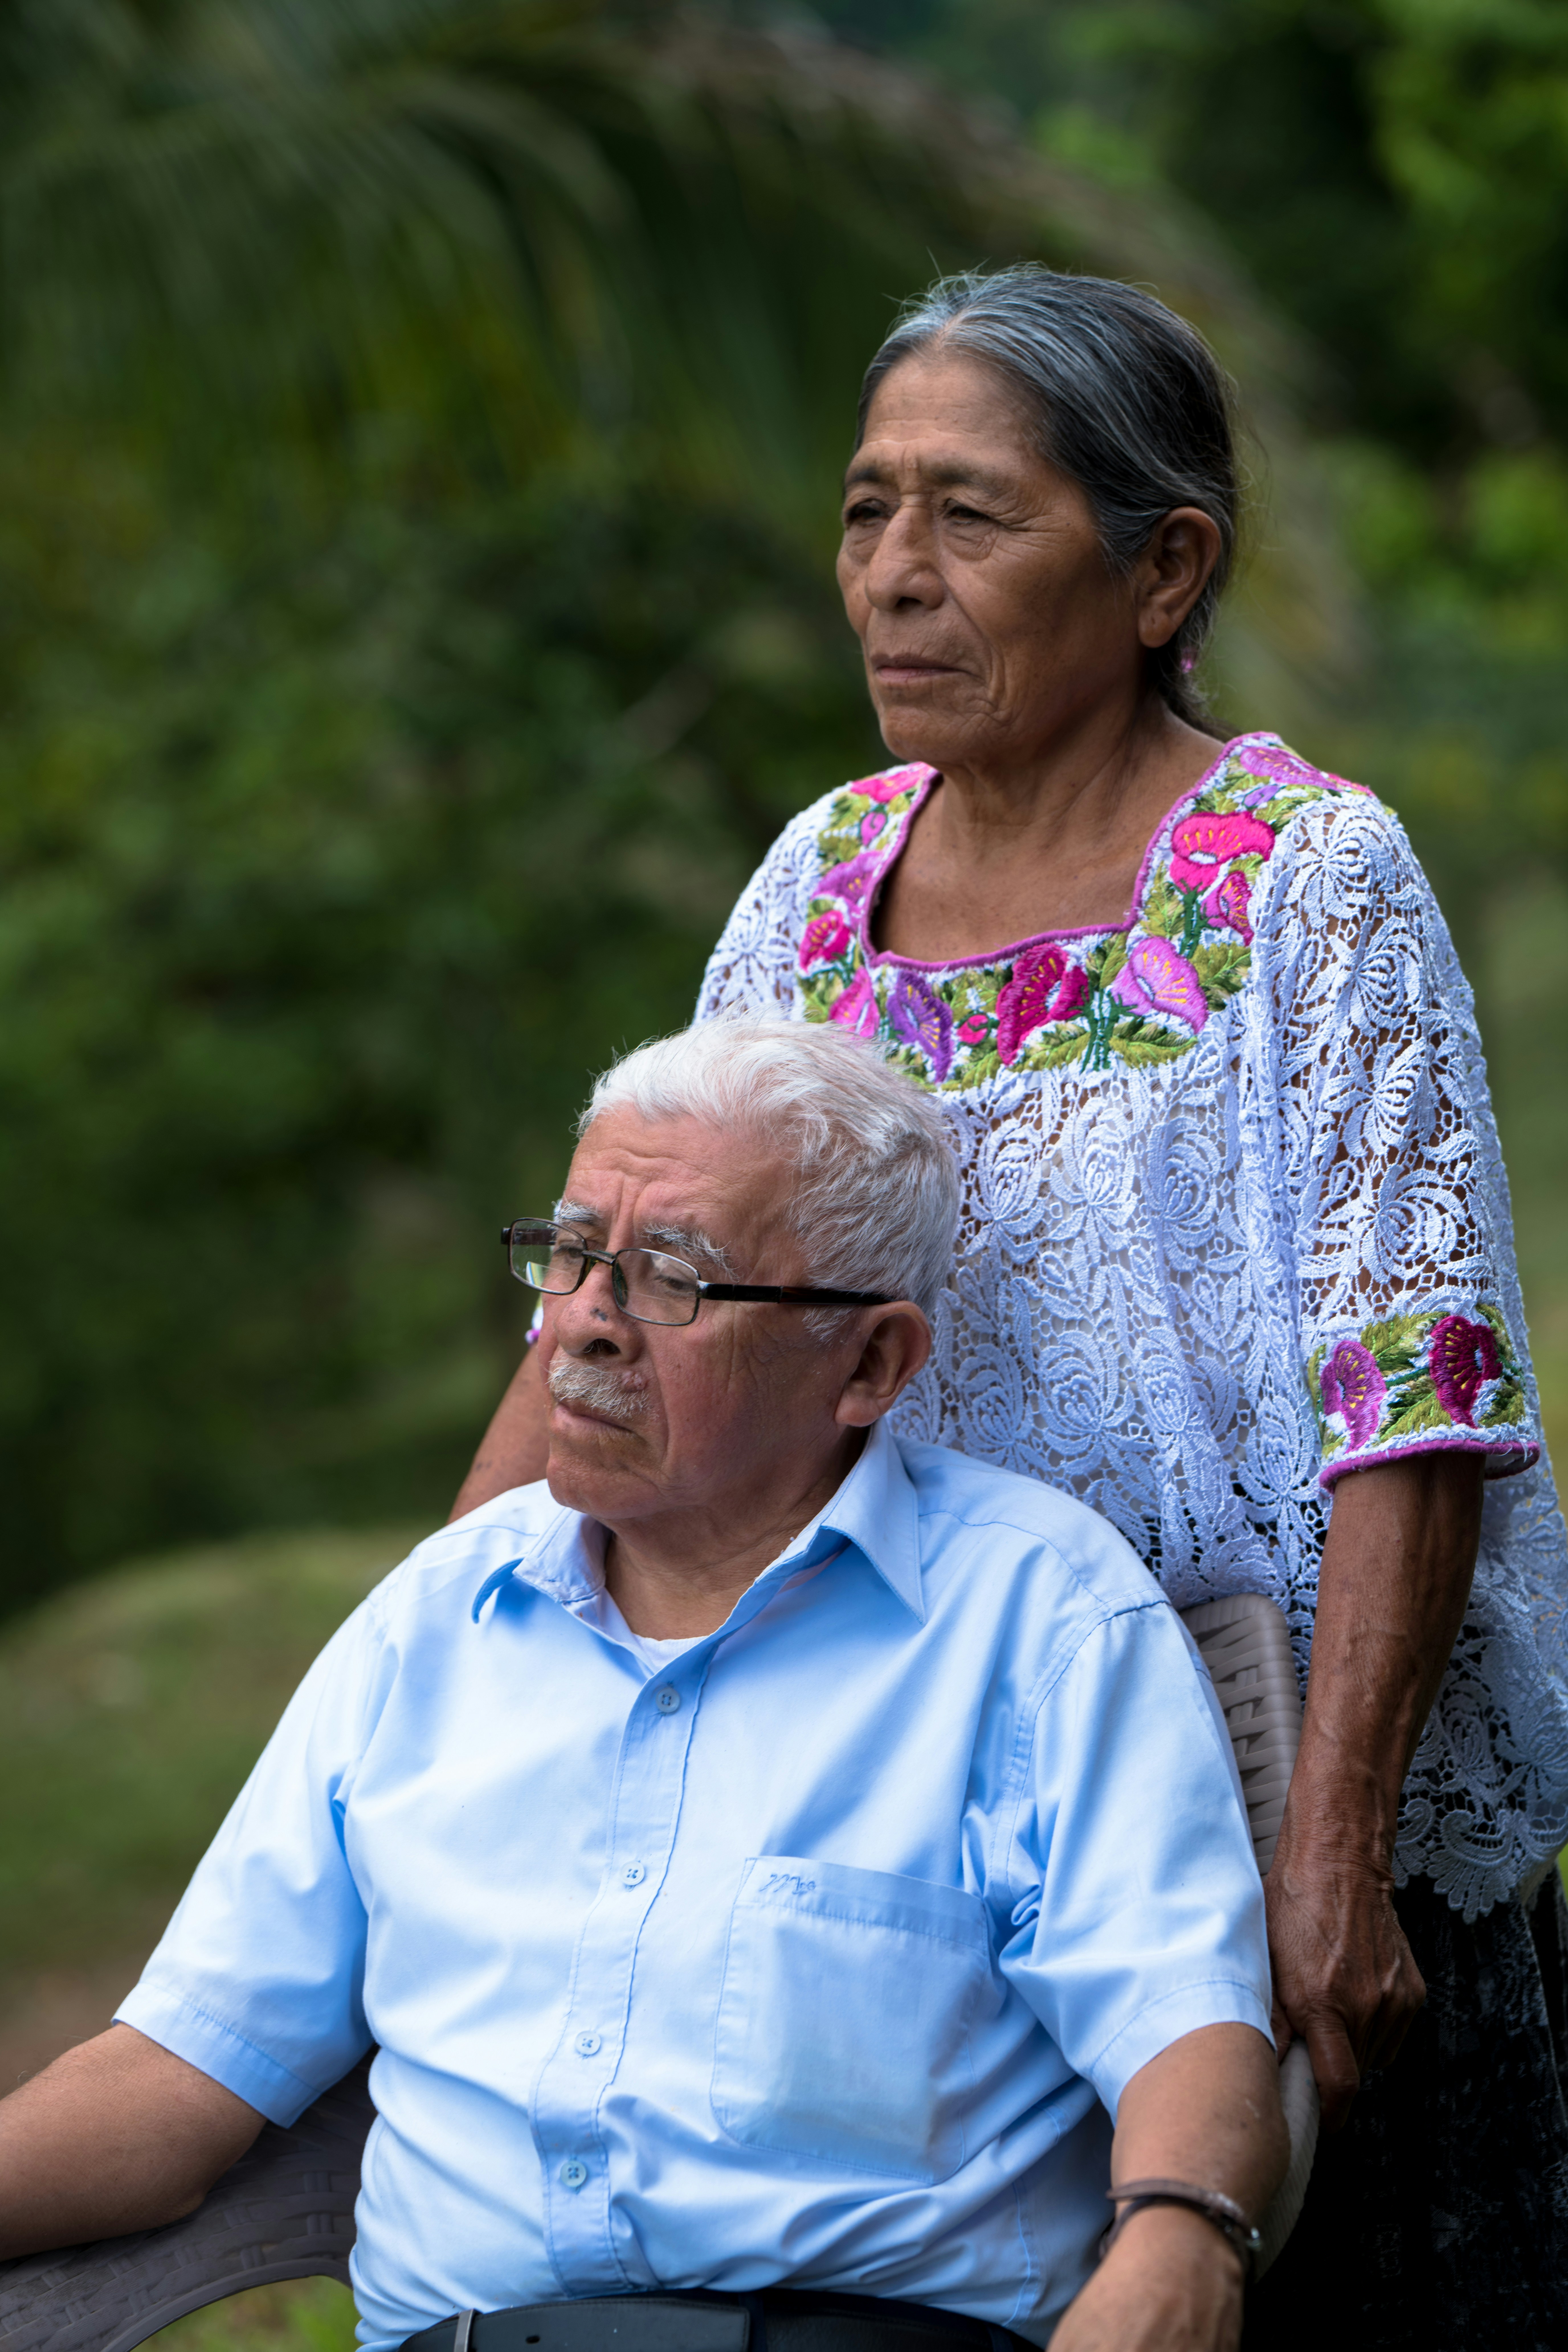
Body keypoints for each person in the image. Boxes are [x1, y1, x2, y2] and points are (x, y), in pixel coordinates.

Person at [453, 268, 1568, 2349]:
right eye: (868, 512)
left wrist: (1333, 1853)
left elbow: (1407, 1386)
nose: (893, 577)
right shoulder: (817, 882)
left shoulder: (1305, 876)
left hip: (1282, 1786)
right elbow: (628, 1289)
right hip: (917, 1802)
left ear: (1167, 571)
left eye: (970, 518)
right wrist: (436, 1680)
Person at [0, 1018, 1285, 2352]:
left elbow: (1180, 2020)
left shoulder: (1037, 1617)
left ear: (870, 1365)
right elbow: (172, 2080)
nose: (586, 1327)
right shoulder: (435, 1623)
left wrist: (1180, 2241)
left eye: (671, 1277)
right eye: (568, 1255)